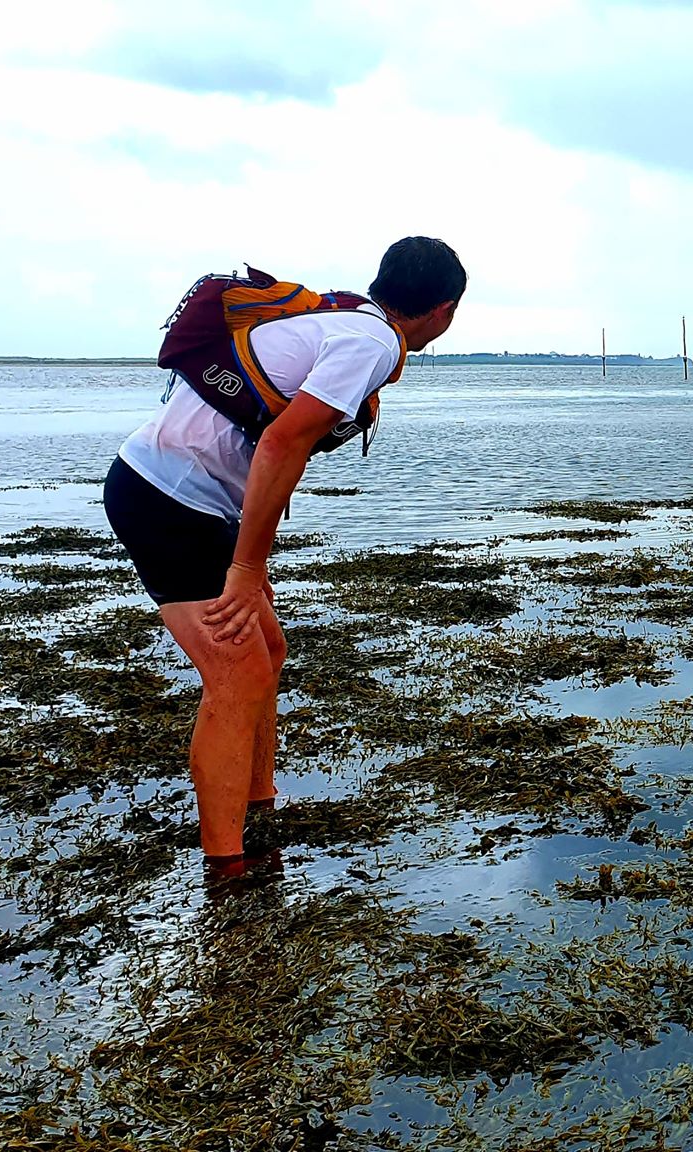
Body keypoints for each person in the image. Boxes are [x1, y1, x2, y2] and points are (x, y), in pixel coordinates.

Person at [103, 237, 465, 878]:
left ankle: (262, 808)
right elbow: (280, 444)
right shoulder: (375, 344)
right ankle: (228, 870)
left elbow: (273, 441)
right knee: (235, 674)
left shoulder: (348, 318)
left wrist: (248, 560)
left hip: (192, 499)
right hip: (165, 498)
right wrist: (247, 570)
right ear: (444, 309)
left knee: (267, 651)